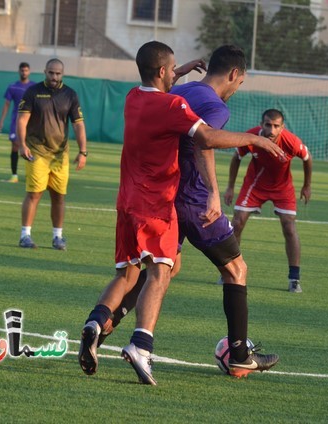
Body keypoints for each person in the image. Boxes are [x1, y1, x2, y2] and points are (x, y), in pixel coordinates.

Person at [78, 41, 284, 386]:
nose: (237, 87)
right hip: (184, 200)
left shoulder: (161, 93)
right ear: (234, 75)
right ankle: (237, 355)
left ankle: (98, 327)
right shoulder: (208, 106)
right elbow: (206, 141)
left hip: (144, 199)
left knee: (149, 272)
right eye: (240, 81)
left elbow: (168, 89)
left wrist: (181, 71)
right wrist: (250, 150)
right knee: (235, 269)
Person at [224, 109, 312, 293]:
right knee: (237, 223)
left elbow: (307, 158)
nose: (271, 130)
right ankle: (229, 270)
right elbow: (236, 158)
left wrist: (306, 186)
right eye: (268, 125)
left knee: (289, 227)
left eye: (276, 126)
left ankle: (294, 278)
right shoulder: (251, 136)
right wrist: (231, 187)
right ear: (261, 124)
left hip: (283, 187)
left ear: (282, 127)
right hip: (255, 185)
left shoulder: (291, 141)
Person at [16, 58, 88, 250]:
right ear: (45, 71)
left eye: (58, 73)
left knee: (59, 196)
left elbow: (78, 124)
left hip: (59, 155)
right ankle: (25, 235)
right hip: (37, 151)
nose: (54, 77)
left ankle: (58, 237)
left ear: (62, 74)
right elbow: (22, 120)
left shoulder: (70, 95)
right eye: (51, 73)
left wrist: (83, 152)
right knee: (34, 193)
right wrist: (22, 145)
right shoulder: (33, 92)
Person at [0, 62, 34, 183]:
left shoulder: (34, 87)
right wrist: (1, 121)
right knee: (15, 146)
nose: (24, 72)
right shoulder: (12, 87)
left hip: (31, 122)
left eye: (26, 70)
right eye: (22, 70)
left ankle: (33, 176)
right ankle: (14, 175)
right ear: (19, 71)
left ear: (29, 72)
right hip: (16, 122)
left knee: (32, 147)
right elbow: (7, 104)